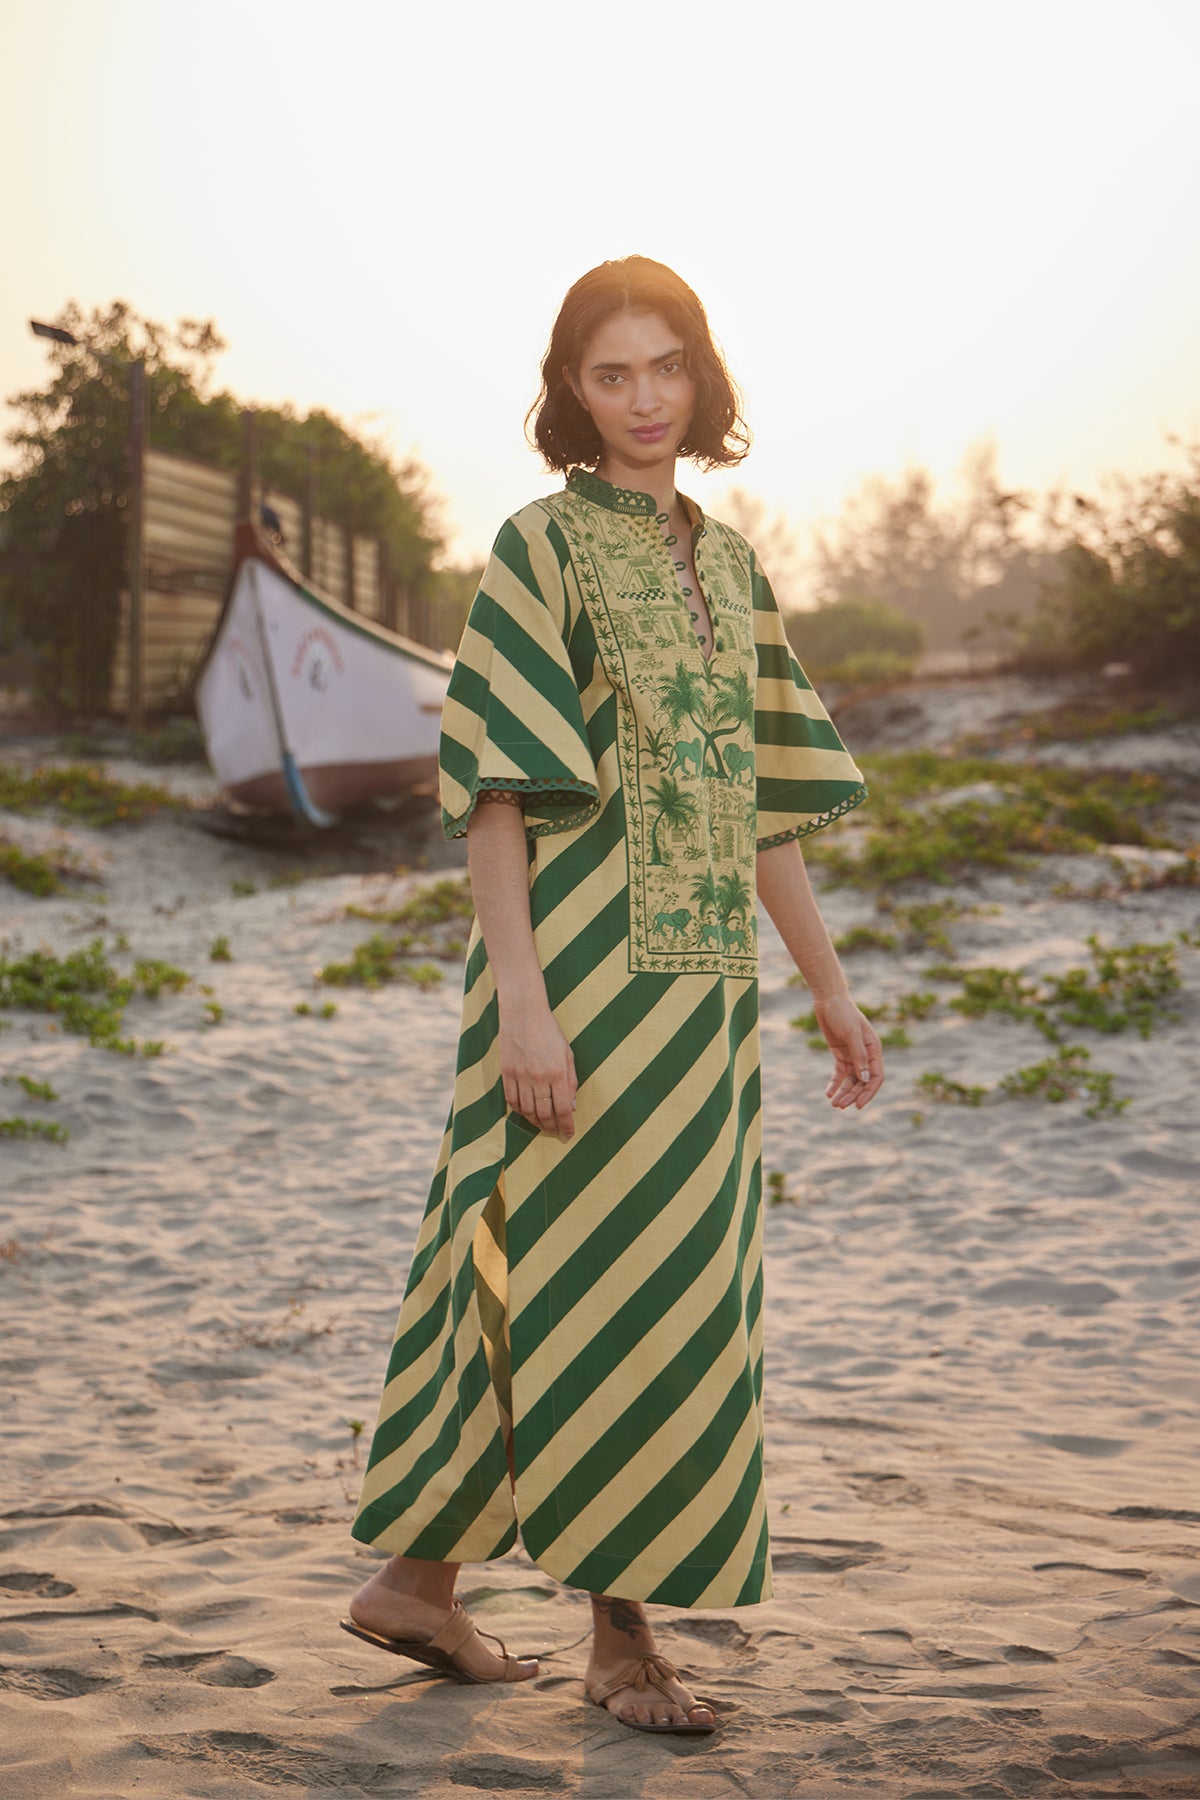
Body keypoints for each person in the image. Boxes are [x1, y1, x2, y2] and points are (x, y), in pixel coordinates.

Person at [341, 256, 884, 1734]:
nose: (645, 400)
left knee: (663, 1293)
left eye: (667, 368)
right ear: (570, 393)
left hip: (703, 1004)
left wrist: (828, 990)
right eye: (611, 374)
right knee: (553, 1271)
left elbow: (757, 807)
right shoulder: (540, 548)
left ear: (704, 380)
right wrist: (523, 1006)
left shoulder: (735, 566)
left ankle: (420, 1586)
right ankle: (622, 1644)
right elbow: (499, 800)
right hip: (571, 981)